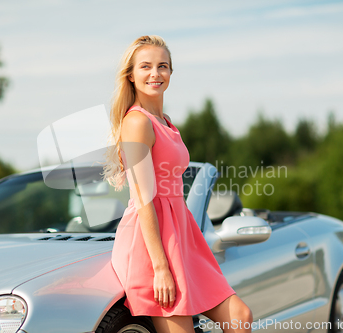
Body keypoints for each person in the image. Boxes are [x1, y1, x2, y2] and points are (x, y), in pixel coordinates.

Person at [103, 35, 253, 333]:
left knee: (240, 316)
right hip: (151, 241)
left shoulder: (166, 122)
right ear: (131, 76)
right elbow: (144, 198)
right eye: (145, 66)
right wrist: (160, 267)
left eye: (163, 66)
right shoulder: (137, 123)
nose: (155, 73)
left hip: (181, 232)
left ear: (171, 72)